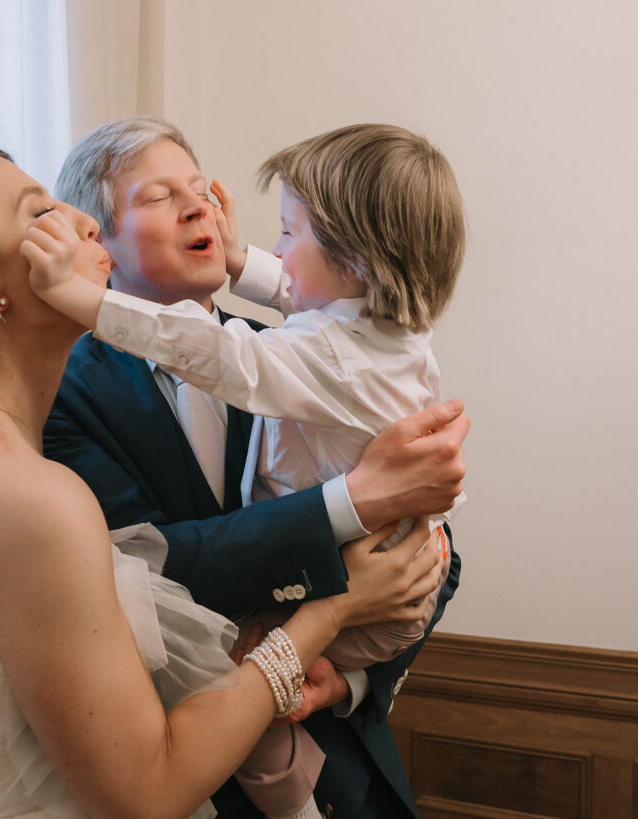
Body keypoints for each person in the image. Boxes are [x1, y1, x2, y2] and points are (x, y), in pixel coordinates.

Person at [0, 145, 444, 819]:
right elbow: (147, 789)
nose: (84, 226)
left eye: (199, 187)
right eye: (41, 212)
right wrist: (334, 607)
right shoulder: (26, 498)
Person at [44, 117, 467, 818]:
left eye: (200, 187)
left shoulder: (293, 355)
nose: (197, 205)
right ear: (97, 241)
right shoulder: (64, 396)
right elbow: (139, 571)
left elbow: (438, 561)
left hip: (354, 776)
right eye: (156, 196)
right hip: (191, 777)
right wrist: (351, 506)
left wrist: (349, 681)